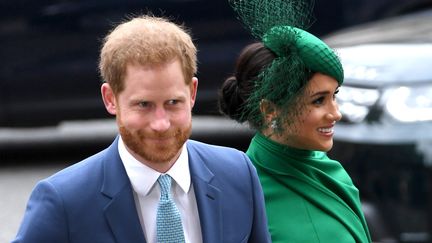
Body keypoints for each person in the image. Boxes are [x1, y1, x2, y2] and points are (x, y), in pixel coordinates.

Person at [12, 15, 270, 243]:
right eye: (143, 105)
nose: (161, 123)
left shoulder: (238, 174)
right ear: (110, 99)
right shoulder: (64, 202)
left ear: (192, 93)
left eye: (172, 103)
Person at [219, 0, 372, 242]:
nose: (336, 113)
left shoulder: (324, 166)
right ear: (270, 110)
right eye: (318, 101)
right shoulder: (251, 197)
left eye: (334, 96)